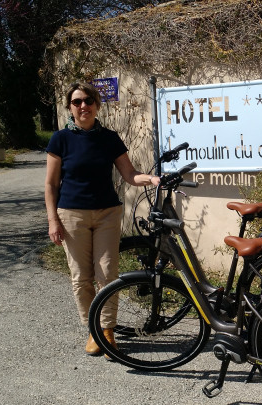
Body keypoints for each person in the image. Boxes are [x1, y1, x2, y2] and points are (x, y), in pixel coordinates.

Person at [45, 81, 160, 357]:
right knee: (81, 276)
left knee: (107, 274)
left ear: (97, 105)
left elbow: (129, 174)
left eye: (88, 101)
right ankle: (93, 329)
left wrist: (151, 179)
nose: (83, 106)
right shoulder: (60, 139)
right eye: (77, 102)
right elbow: (51, 184)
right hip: (72, 215)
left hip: (107, 213)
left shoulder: (109, 138)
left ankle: (107, 331)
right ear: (70, 107)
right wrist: (52, 220)